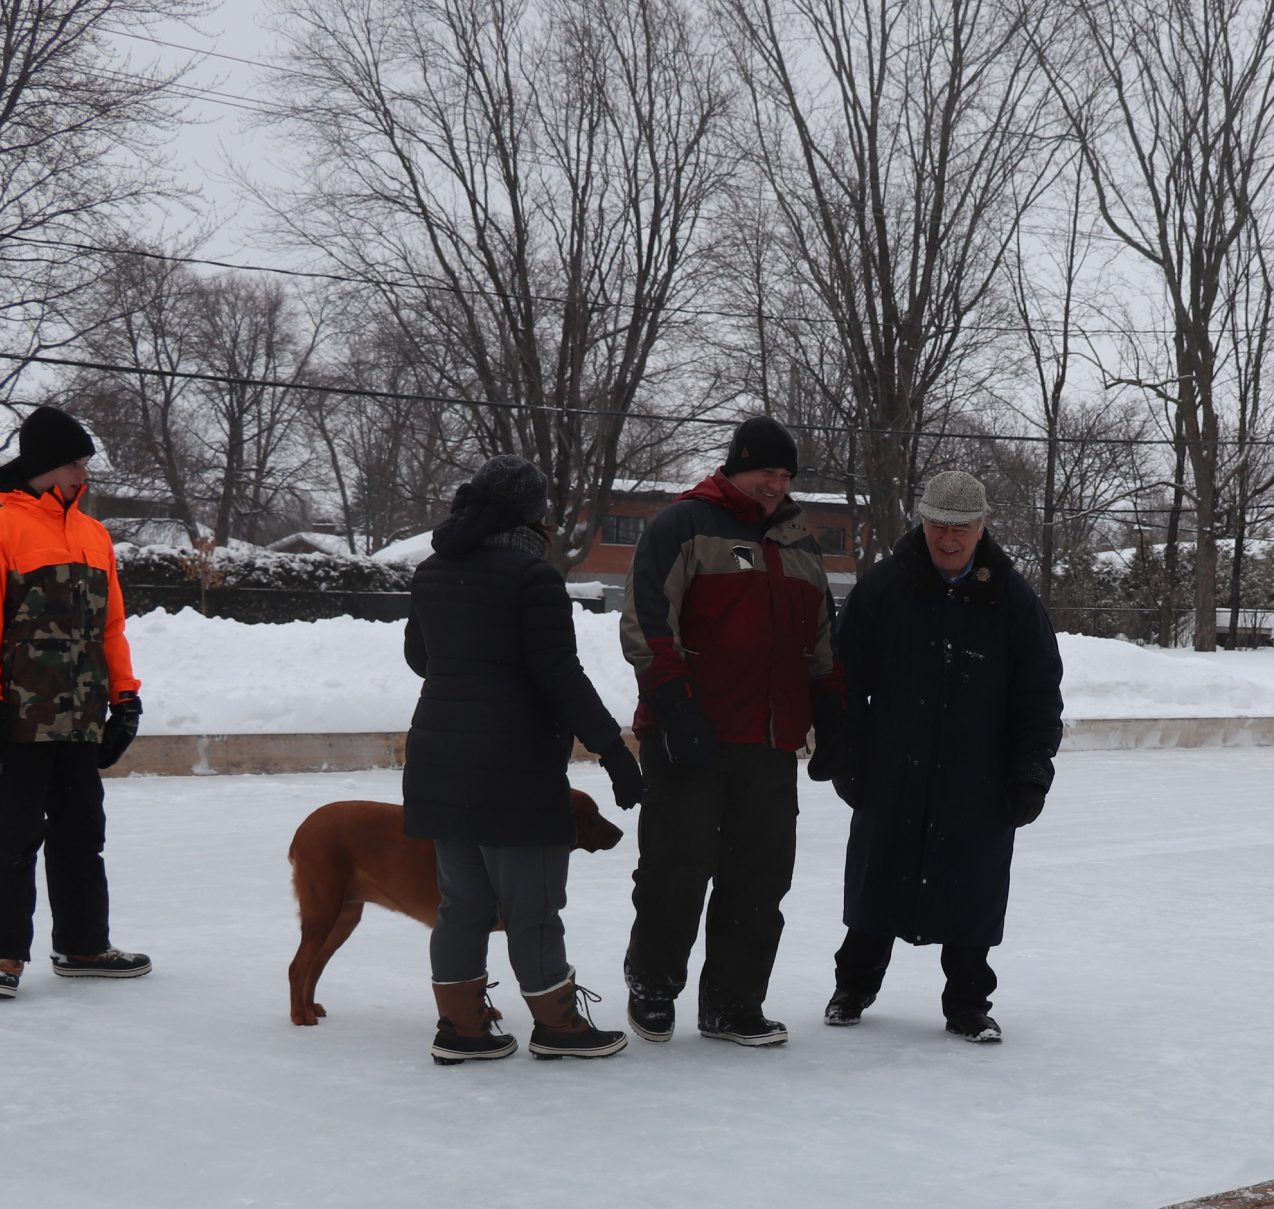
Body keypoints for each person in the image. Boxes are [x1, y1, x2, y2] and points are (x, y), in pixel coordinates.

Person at [404, 454, 646, 1064]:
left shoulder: (433, 569)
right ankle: (558, 1025)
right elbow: (559, 676)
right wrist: (613, 749)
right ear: (532, 513)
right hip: (511, 768)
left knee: (461, 905)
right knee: (533, 904)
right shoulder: (530, 577)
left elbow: (419, 658)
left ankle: (461, 1028)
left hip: (438, 760)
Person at [619, 416, 846, 1047]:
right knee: (676, 866)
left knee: (759, 878)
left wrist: (832, 714)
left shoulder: (800, 542)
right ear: (734, 467)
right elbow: (647, 623)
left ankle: (732, 1002)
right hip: (691, 734)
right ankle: (654, 987)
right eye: (763, 471)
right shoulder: (684, 525)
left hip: (770, 742)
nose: (775, 484)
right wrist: (674, 706)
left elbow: (820, 640)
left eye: (784, 474)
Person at [820, 470, 1064, 1044]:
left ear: (982, 528)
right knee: (877, 882)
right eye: (937, 526)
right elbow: (842, 680)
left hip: (978, 775)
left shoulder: (1011, 598)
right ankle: (853, 985)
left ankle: (968, 1003)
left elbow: (1038, 693)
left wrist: (1031, 771)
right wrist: (846, 754)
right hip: (892, 768)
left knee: (972, 893)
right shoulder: (884, 587)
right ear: (920, 522)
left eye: (961, 528)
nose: (948, 540)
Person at [0, 405, 150, 999]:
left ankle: (84, 944)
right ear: (45, 465)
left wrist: (126, 699)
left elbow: (111, 628)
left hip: (84, 714)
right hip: (20, 714)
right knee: (13, 837)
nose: (82, 474)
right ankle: (1, 956)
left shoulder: (93, 534)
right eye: (75, 462)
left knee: (82, 833)